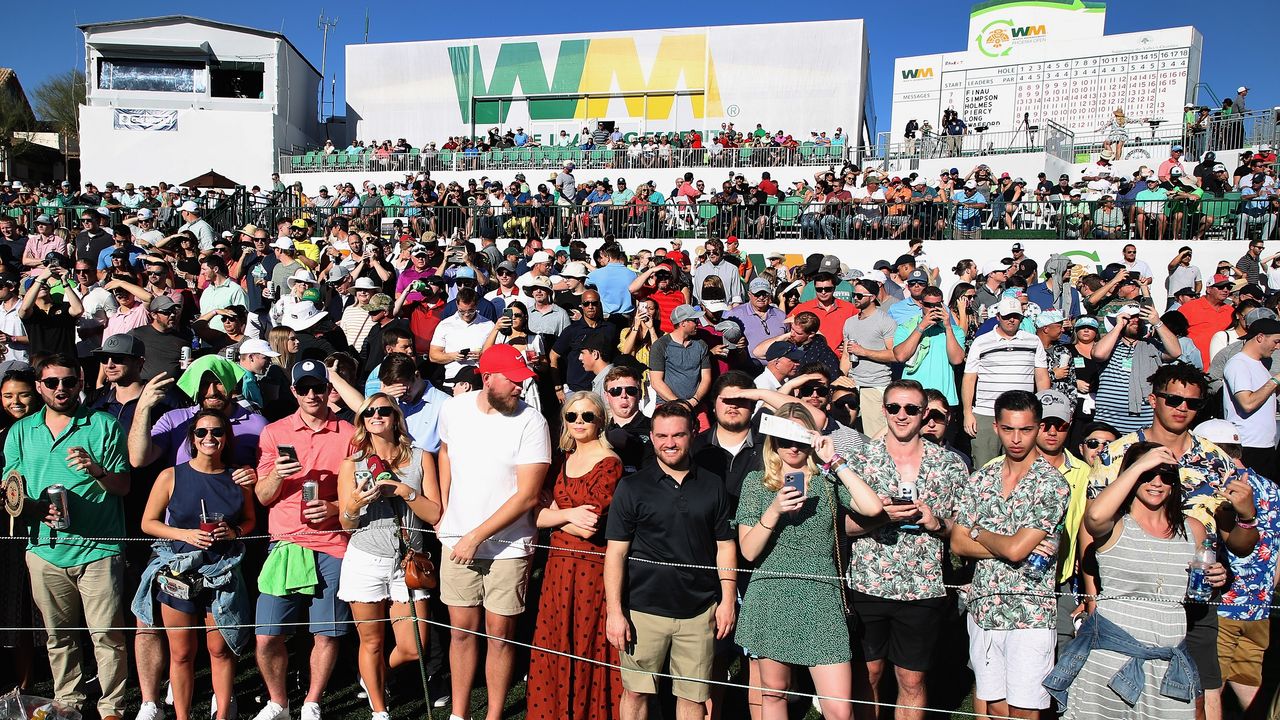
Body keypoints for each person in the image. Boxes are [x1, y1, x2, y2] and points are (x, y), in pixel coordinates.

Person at [1088, 363, 1260, 720]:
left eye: (1192, 404)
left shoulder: (1217, 461)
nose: (1182, 408)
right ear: (1153, 399)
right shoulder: (1118, 454)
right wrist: (1091, 598)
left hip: (1195, 601)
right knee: (1122, 701)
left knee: (1203, 700)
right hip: (1130, 600)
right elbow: (1090, 531)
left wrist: (1247, 516)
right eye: (1173, 399)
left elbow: (1240, 544)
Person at [1045, 441, 1226, 720]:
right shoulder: (1115, 525)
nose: (1156, 482)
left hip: (1168, 664)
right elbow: (1093, 515)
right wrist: (1140, 464)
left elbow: (1196, 587)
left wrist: (1216, 577)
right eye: (1146, 475)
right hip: (1111, 662)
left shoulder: (1193, 530)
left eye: (1165, 475)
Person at [735, 402, 882, 720]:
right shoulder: (757, 483)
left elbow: (873, 509)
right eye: (783, 438)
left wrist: (835, 461)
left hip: (821, 598)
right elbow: (747, 552)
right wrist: (774, 510)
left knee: (840, 710)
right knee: (774, 694)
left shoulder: (827, 481)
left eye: (799, 438)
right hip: (772, 595)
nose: (791, 446)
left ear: (812, 439)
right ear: (772, 441)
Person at [6, 354, 130, 720]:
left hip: (99, 548)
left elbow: (123, 487)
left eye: (68, 382)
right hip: (44, 549)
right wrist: (31, 507)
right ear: (39, 386)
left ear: (80, 382)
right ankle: (68, 703)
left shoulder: (104, 425)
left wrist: (96, 469)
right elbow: (12, 491)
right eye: (51, 383)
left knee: (107, 636)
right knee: (58, 639)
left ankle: (112, 708)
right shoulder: (21, 431)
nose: (61, 389)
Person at [436, 344, 550, 720]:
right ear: (487, 378)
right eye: (514, 381)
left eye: (523, 381)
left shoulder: (533, 422)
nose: (521, 388)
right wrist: (442, 511)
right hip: (456, 542)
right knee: (460, 634)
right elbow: (445, 454)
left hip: (509, 546)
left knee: (500, 636)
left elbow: (528, 495)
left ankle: (494, 715)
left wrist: (475, 536)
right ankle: (459, 713)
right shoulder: (454, 409)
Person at [605, 401, 737, 720]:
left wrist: (728, 601)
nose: (670, 443)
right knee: (636, 692)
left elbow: (725, 546)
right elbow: (616, 553)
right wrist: (614, 612)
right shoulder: (632, 487)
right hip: (643, 609)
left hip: (699, 610)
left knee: (692, 697)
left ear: (693, 434)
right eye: (662, 436)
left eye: (678, 435)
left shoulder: (713, 485)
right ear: (651, 436)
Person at [844, 380, 967, 720]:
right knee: (867, 675)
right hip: (868, 583)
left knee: (912, 680)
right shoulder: (859, 460)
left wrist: (936, 523)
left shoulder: (950, 465)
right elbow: (838, 526)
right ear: (883, 410)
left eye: (911, 409)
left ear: (925, 414)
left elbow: (963, 531)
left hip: (923, 587)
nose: (902, 415)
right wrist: (876, 518)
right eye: (894, 408)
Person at [950, 390, 1069, 720]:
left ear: (1038, 428)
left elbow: (1016, 550)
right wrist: (1004, 543)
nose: (1017, 439)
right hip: (985, 607)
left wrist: (978, 532)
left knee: (1025, 710)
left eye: (1026, 429)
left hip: (1030, 613)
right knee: (992, 707)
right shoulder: (982, 478)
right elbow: (958, 544)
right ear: (997, 428)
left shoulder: (1052, 484)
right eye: (1008, 429)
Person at [251, 360, 357, 720]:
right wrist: (277, 477)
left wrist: (334, 506)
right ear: (293, 390)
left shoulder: (350, 434)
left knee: (326, 632)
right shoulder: (274, 432)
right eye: (304, 388)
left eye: (318, 387)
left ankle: (312, 701)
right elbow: (264, 496)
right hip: (286, 542)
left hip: (333, 541)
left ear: (329, 389)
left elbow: (362, 494)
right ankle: (278, 702)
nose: (312, 394)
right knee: (267, 635)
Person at [135, 411, 255, 720]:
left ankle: (224, 713)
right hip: (179, 572)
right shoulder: (171, 476)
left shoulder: (237, 477)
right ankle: (183, 716)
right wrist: (183, 533)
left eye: (216, 432)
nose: (209, 438)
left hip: (222, 571)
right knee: (182, 653)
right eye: (202, 433)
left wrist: (235, 532)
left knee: (220, 649)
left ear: (226, 437)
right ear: (192, 438)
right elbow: (148, 523)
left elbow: (250, 520)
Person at [337, 394, 441, 720]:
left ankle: (373, 676)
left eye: (383, 410)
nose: (376, 415)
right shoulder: (351, 465)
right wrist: (354, 503)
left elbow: (435, 512)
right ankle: (380, 711)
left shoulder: (421, 458)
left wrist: (403, 490)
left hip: (408, 560)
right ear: (363, 421)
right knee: (371, 642)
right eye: (369, 412)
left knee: (414, 646)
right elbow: (345, 521)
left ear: (395, 417)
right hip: (366, 558)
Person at [527, 391, 624, 720]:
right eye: (572, 416)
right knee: (556, 639)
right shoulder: (562, 459)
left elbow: (589, 526)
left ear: (601, 420)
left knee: (585, 642)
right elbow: (536, 517)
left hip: (591, 568)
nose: (579, 422)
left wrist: (556, 513)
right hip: (557, 567)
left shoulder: (611, 463)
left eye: (587, 416)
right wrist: (568, 515)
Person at [1188, 420, 1280, 719]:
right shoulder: (1271, 488)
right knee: (1249, 686)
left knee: (1208, 691)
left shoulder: (1215, 488)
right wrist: (1264, 592)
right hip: (1259, 609)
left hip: (1222, 607)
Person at [961, 298, 1050, 465]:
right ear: (998, 317)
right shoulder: (981, 342)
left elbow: (1042, 377)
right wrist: (967, 413)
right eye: (1007, 316)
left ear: (1022, 318)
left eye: (1016, 316)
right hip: (987, 413)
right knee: (984, 466)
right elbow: (969, 378)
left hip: (1022, 415)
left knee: (1021, 466)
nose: (1011, 320)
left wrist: (1041, 410)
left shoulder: (1033, 341)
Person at [1221, 317, 1280, 479]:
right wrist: (1275, 380)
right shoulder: (1238, 364)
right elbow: (1247, 403)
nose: (1278, 346)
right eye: (1276, 341)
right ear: (1260, 337)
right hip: (1247, 446)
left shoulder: (1259, 364)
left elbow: (1262, 396)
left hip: (1264, 446)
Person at [841, 279, 897, 437]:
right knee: (852, 434)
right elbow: (846, 355)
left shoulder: (885, 321)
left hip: (874, 386)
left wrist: (864, 352)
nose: (855, 298)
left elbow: (894, 354)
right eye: (854, 295)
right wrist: (840, 380)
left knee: (875, 438)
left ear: (872, 297)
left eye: (859, 295)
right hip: (852, 385)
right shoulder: (849, 322)